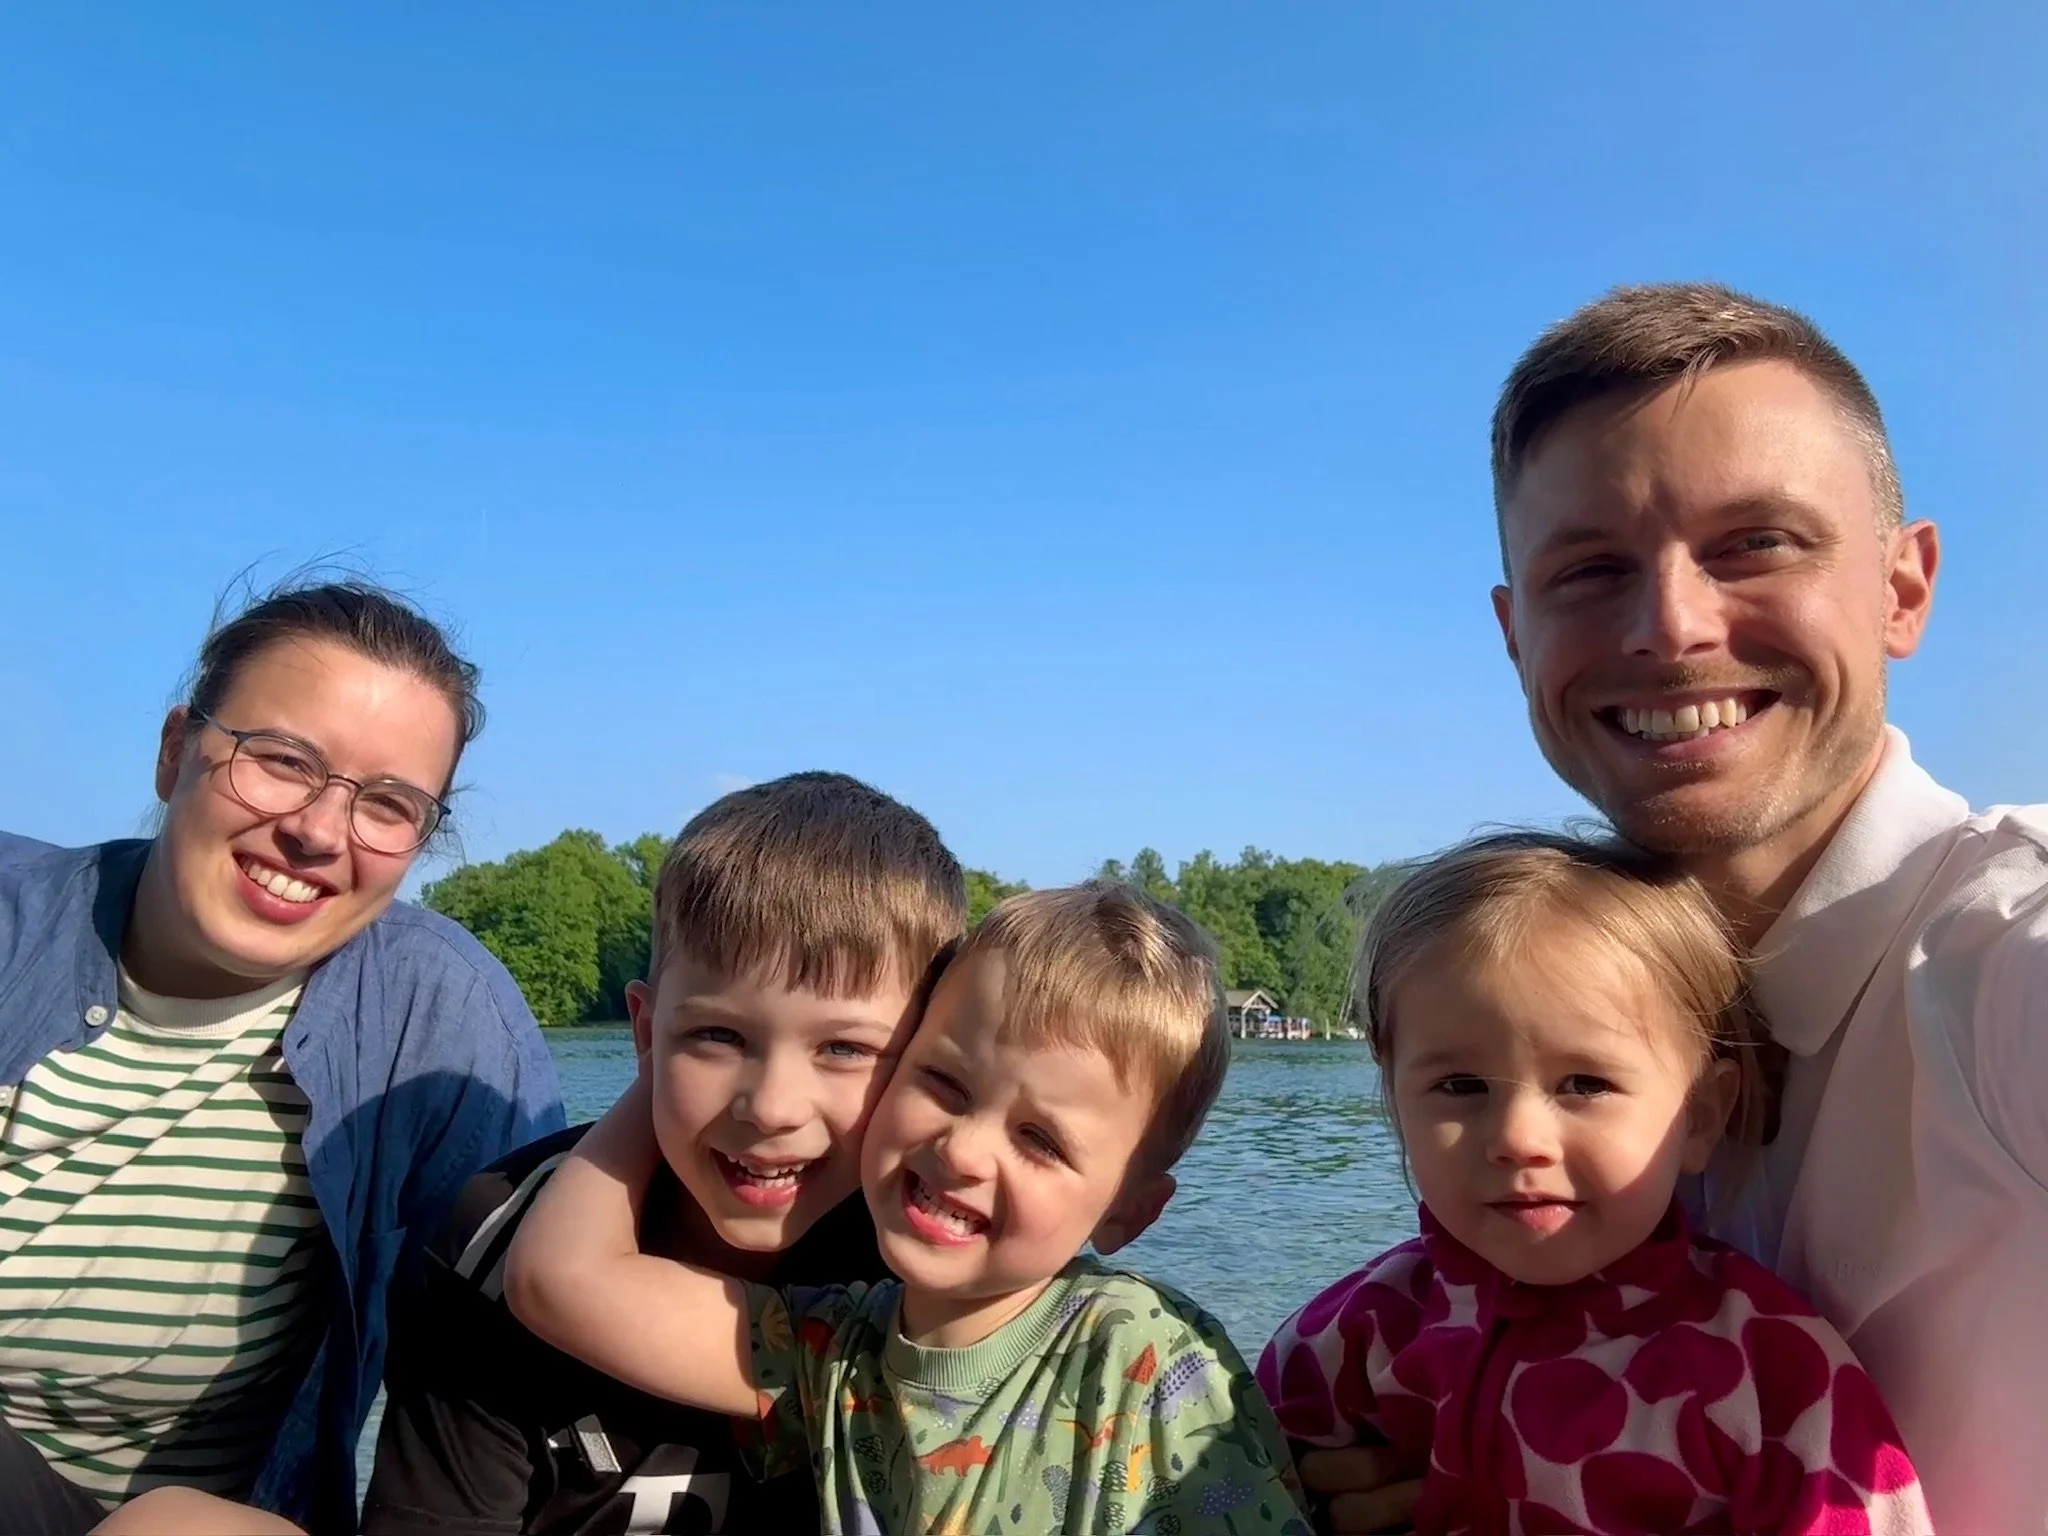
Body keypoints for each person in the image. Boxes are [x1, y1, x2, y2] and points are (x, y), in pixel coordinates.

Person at [1299, 282, 2046, 1535]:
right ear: (1513, 633)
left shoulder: (2002, 969)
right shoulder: (1543, 1003)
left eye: (1756, 543)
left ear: (1901, 589)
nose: (1670, 627)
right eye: (1588, 569)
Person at [0, 578, 565, 1536]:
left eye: (387, 804)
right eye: (280, 760)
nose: (315, 831)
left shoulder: (434, 1017)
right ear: (175, 750)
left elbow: (535, 1305)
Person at [503, 881, 1312, 1535]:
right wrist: (670, 1060)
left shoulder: (1142, 1360)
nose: (963, 1151)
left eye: (1039, 1140)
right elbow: (556, 1279)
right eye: (944, 1084)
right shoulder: (829, 1358)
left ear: (1127, 1214)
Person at [1258, 830, 1931, 1534]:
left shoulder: (1767, 1374)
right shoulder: (1358, 1334)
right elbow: (1225, 1494)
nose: (1517, 1137)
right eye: (1460, 1085)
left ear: (1700, 1117)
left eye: (1585, 1083)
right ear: (1397, 1107)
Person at [357, 771, 968, 1536]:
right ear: (646, 1033)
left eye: (845, 1048)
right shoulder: (493, 1239)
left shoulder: (932, 1269)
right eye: (716, 1036)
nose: (772, 1107)